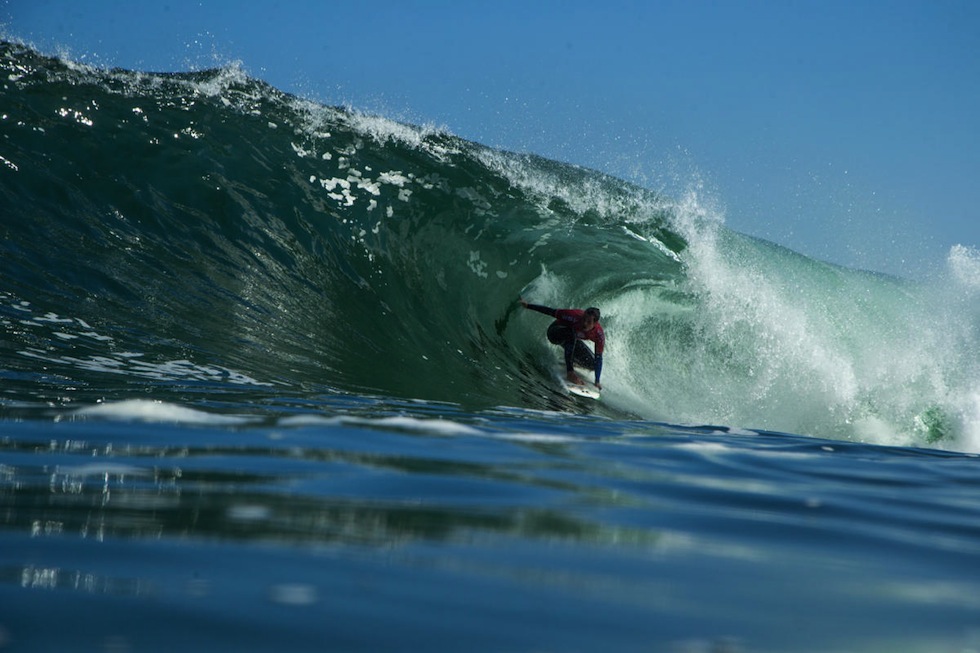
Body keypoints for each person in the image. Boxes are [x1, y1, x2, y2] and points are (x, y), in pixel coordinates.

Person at [520, 297, 604, 389]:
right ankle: (570, 372)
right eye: (584, 319)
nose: (584, 323)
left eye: (588, 322)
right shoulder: (573, 316)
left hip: (570, 340)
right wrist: (528, 306)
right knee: (571, 334)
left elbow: (598, 357)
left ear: (595, 323)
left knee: (592, 364)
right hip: (555, 333)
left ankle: (571, 361)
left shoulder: (598, 335)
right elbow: (550, 311)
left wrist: (597, 381)